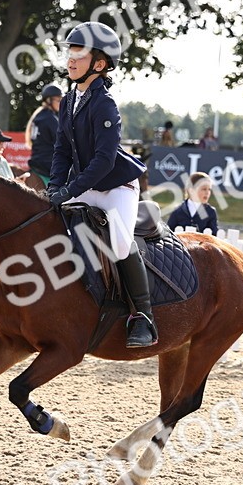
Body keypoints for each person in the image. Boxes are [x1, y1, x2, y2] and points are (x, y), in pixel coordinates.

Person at [46, 20, 155, 348]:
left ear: (100, 63)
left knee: (120, 245)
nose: (70, 58)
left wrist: (70, 189)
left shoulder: (104, 104)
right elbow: (61, 150)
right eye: (69, 51)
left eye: (78, 52)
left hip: (117, 186)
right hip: (86, 184)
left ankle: (143, 317)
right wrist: (54, 186)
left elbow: (104, 161)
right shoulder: (68, 102)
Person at [25, 84, 62, 186]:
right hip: (47, 164)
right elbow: (61, 142)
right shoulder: (50, 119)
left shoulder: (39, 116)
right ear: (49, 100)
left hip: (37, 162)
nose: (61, 103)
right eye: (58, 100)